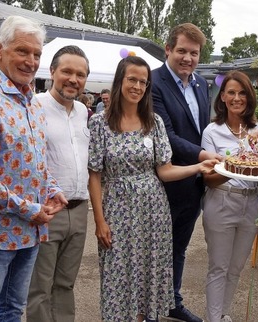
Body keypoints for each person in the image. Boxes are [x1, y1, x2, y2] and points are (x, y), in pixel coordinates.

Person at [88, 56, 218, 321]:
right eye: (132, 79)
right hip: (118, 209)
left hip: (153, 212)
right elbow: (94, 174)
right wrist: (99, 220)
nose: (137, 86)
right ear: (120, 81)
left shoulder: (154, 122)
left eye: (143, 82)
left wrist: (198, 167)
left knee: (148, 276)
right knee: (118, 275)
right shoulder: (99, 123)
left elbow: (165, 170)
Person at [0, 15, 68, 321]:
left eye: (37, 54)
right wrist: (27, 208)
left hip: (31, 230)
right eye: (23, 51)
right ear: (0, 50)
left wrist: (53, 190)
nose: (31, 61)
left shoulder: (32, 102)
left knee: (12, 309)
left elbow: (36, 161)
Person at [151, 22, 221, 322]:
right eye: (182, 51)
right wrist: (204, 156)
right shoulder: (153, 82)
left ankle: (172, 301)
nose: (188, 58)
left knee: (178, 248)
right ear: (168, 49)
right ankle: (150, 307)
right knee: (155, 251)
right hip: (165, 181)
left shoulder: (201, 84)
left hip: (194, 182)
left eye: (194, 53)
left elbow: (203, 131)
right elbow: (165, 134)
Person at [26, 45, 91, 322]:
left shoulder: (82, 112)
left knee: (65, 283)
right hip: (48, 210)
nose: (73, 79)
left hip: (80, 210)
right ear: (52, 71)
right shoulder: (34, 105)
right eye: (67, 71)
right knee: (39, 287)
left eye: (80, 74)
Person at [201, 71, 258, 322]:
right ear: (223, 97)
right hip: (221, 199)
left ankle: (222, 313)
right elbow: (208, 177)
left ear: (250, 97)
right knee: (219, 267)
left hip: (251, 202)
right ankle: (213, 318)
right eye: (231, 92)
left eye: (242, 93)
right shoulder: (212, 130)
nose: (236, 98)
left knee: (236, 267)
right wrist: (236, 165)